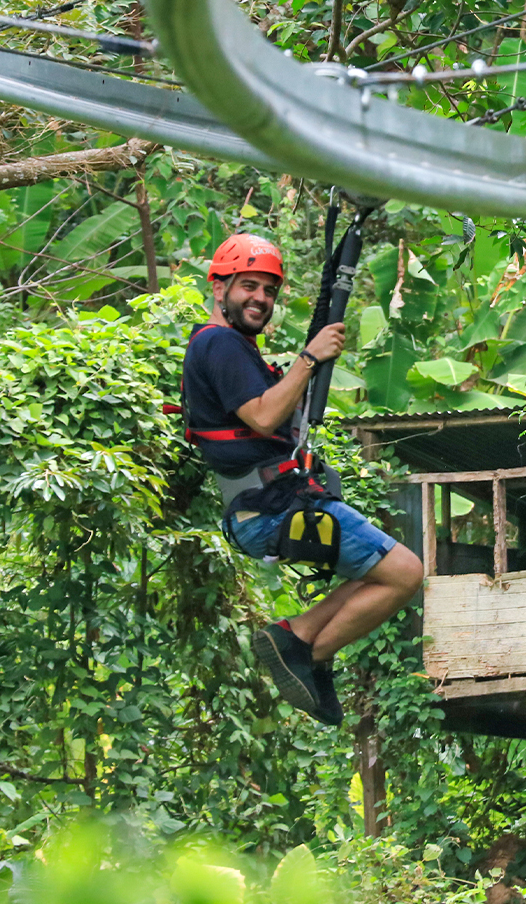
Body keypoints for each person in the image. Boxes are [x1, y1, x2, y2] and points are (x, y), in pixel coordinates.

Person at [181, 233, 423, 726]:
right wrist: (309, 359)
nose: (260, 300)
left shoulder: (230, 348)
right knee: (405, 573)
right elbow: (265, 416)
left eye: (268, 292)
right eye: (248, 286)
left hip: (264, 505)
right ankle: (305, 651)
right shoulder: (220, 344)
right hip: (269, 505)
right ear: (219, 287)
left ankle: (297, 638)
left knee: (375, 574)